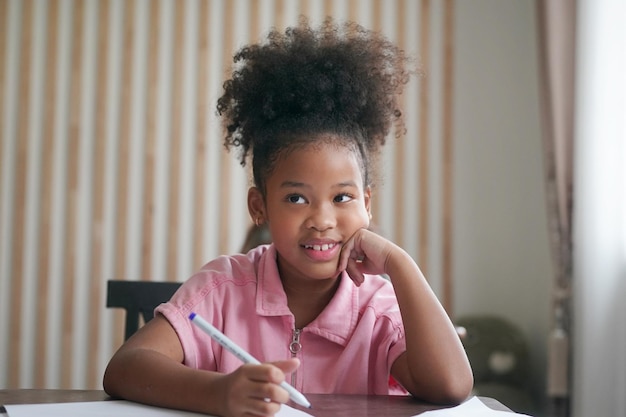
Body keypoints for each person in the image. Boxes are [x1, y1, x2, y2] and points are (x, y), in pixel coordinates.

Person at [103, 17, 473, 417]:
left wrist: (400, 265)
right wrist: (218, 392)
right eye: (296, 198)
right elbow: (123, 369)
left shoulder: (379, 308)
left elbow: (451, 388)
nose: (322, 219)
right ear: (259, 206)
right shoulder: (223, 288)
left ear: (367, 204)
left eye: (342, 197)